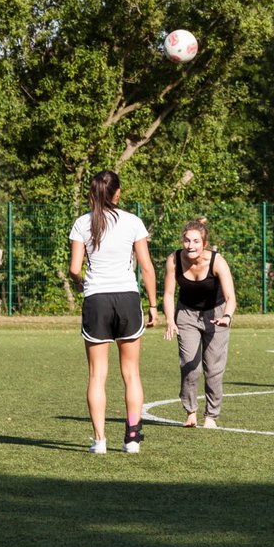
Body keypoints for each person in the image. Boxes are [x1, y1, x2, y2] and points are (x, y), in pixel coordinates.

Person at [68, 170, 158, 454]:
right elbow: (146, 267)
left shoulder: (82, 223)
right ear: (117, 193)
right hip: (128, 299)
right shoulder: (132, 221)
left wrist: (83, 284)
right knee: (131, 373)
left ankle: (100, 441)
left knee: (97, 375)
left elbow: (74, 269)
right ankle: (132, 439)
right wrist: (154, 305)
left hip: (97, 300)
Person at [163, 218, 237, 428]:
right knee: (189, 366)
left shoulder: (217, 261)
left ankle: (211, 416)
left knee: (213, 368)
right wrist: (170, 320)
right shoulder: (175, 259)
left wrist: (227, 317)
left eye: (196, 241)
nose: (190, 246)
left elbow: (231, 297)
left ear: (204, 244)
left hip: (216, 314)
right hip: (186, 314)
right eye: (187, 241)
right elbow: (168, 294)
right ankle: (190, 412)